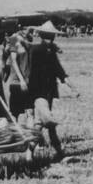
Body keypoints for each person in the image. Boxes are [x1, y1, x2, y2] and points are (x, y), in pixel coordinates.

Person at [28, 20, 70, 155]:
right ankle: (57, 151)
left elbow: (58, 70)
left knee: (41, 123)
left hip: (42, 91)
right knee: (48, 121)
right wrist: (68, 83)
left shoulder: (43, 50)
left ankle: (31, 153)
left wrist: (68, 83)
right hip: (42, 92)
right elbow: (58, 70)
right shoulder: (40, 50)